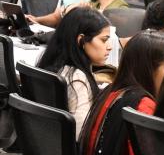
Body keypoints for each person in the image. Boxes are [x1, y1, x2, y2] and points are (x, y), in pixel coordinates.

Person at [37, 7, 111, 138]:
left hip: (47, 143)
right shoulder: (77, 78)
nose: (109, 46)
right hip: (73, 154)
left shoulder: (53, 62)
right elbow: (80, 135)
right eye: (104, 40)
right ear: (81, 40)